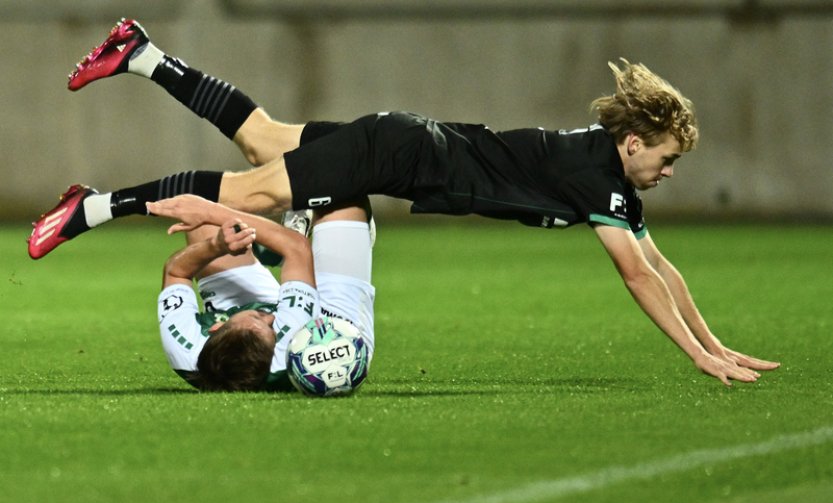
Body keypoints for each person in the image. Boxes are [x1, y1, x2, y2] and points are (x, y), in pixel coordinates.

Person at [29, 18, 778, 386]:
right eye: (668, 159)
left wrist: (716, 347)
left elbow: (661, 266)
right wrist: (693, 360)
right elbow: (637, 278)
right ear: (635, 142)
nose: (669, 172)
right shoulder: (597, 178)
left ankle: (141, 52)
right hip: (398, 154)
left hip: (403, 146)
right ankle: (91, 207)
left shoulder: (606, 173)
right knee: (249, 189)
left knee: (261, 140)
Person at [153, 197, 375, 392]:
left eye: (259, 318)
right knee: (339, 195)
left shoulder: (184, 346)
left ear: (215, 327)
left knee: (202, 218)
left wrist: (218, 245)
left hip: (244, 305)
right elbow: (297, 248)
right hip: (328, 329)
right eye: (272, 328)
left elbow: (176, 271)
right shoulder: (289, 341)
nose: (271, 317)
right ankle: (300, 241)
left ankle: (276, 247)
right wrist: (214, 211)